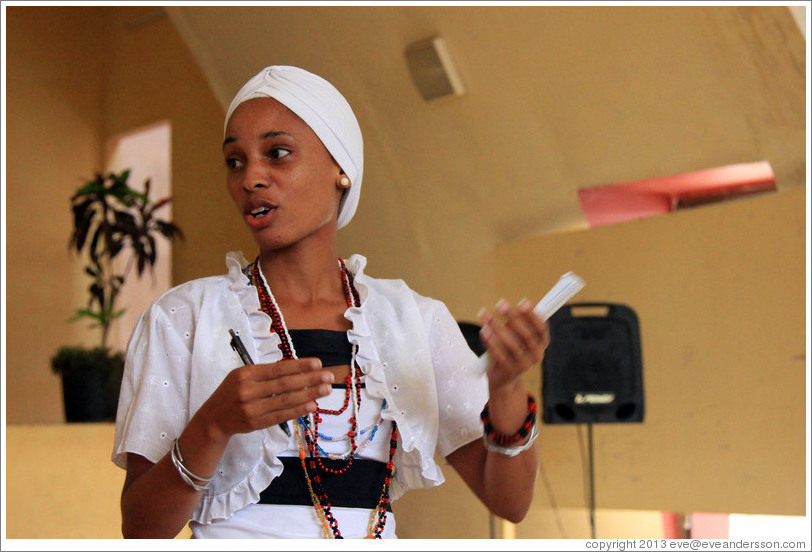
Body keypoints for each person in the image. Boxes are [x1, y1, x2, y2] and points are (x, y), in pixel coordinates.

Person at [112, 65, 549, 539]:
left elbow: (511, 502)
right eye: (234, 161)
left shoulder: (411, 320)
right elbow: (140, 530)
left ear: (342, 169)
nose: (250, 178)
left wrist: (506, 389)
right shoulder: (185, 317)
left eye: (277, 154)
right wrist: (212, 427)